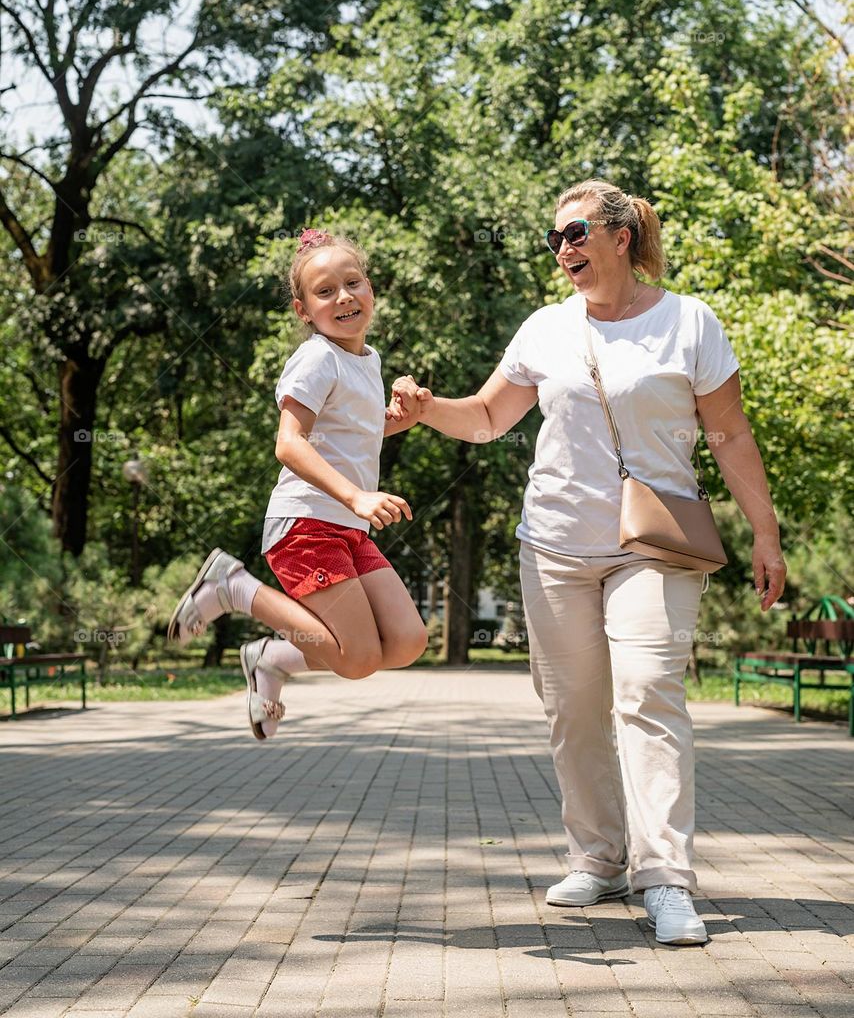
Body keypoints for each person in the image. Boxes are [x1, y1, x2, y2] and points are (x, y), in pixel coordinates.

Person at [392, 179, 786, 946]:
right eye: (555, 239)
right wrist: (426, 410)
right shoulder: (545, 329)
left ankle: (665, 876)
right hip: (554, 547)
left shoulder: (689, 322)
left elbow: (731, 436)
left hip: (655, 544)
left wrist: (765, 535)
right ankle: (599, 858)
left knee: (647, 694)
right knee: (572, 713)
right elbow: (486, 417)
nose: (564, 249)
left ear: (621, 237)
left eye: (576, 233)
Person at [167, 228, 428, 740]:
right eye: (325, 291)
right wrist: (356, 494)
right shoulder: (316, 358)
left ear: (371, 289)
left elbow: (357, 429)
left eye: (353, 282)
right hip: (307, 524)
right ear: (303, 310)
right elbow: (289, 442)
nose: (344, 297)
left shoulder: (367, 359)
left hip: (349, 529)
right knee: (356, 659)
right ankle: (233, 587)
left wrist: (402, 418)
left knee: (405, 641)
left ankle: (269, 658)